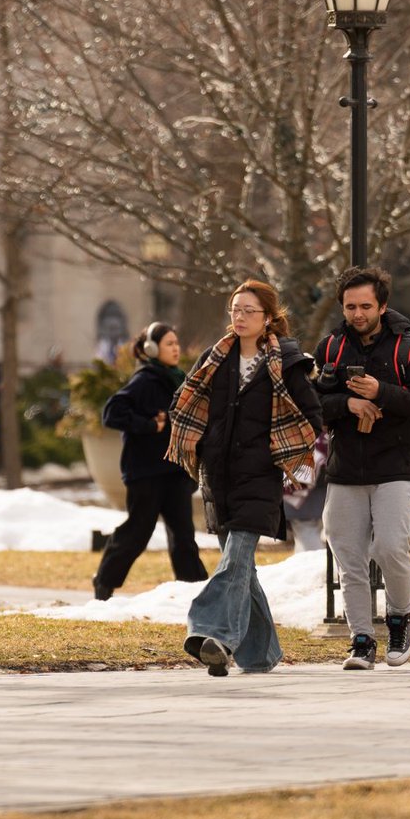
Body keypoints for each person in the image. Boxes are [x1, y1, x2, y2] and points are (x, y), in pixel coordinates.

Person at [166, 280, 322, 677]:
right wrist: (203, 448)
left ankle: (211, 634)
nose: (239, 317)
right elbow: (186, 403)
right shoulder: (214, 358)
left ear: (268, 317)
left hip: (260, 477)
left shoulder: (287, 362)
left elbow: (312, 416)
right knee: (243, 570)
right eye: (235, 309)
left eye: (248, 310)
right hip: (218, 476)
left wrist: (278, 447)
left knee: (236, 558)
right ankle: (261, 653)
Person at [314, 267, 410, 670]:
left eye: (366, 305)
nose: (358, 313)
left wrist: (380, 392)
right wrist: (348, 404)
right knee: (347, 555)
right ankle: (361, 640)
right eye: (350, 306)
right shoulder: (330, 348)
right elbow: (313, 405)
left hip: (395, 467)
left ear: (383, 306)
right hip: (346, 468)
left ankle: (400, 618)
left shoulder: (408, 347)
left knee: (389, 547)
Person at [92, 322, 208, 600]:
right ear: (151, 349)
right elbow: (112, 413)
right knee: (138, 531)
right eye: (169, 344)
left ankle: (195, 590)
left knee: (183, 535)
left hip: (174, 472)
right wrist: (147, 424)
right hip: (146, 472)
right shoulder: (145, 380)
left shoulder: (177, 379)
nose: (176, 348)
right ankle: (104, 582)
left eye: (176, 343)